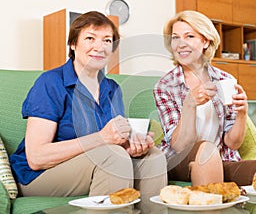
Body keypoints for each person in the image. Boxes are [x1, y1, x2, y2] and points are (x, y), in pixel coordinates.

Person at [9, 11, 167, 203]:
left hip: (95, 163)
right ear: (73, 44)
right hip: (39, 175)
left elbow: (113, 139)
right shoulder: (50, 83)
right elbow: (36, 157)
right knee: (113, 157)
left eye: (107, 40)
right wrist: (102, 138)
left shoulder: (112, 89)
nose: (99, 47)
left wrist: (133, 144)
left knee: (153, 158)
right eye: (90, 38)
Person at [153, 10, 256, 186]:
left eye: (189, 36)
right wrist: (190, 104)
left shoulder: (225, 80)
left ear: (205, 41)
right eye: (175, 38)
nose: (180, 44)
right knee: (207, 151)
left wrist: (242, 113)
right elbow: (179, 146)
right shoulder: (165, 86)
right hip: (178, 161)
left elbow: (233, 143)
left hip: (220, 159)